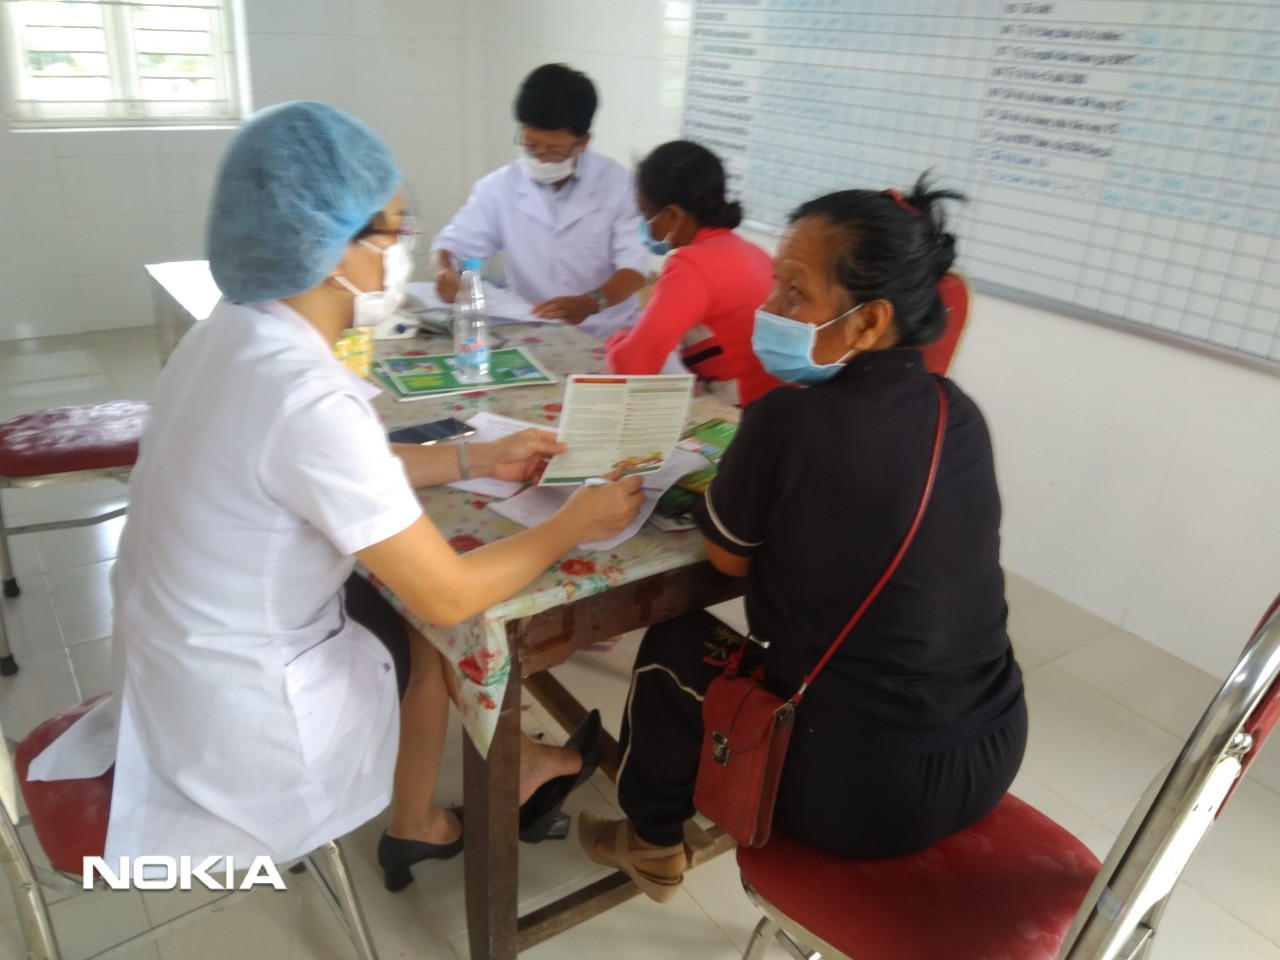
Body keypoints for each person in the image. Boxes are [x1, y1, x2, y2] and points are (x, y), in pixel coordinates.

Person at [28, 101, 644, 893]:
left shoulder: (228, 334)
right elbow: (450, 595)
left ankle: (479, 780)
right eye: (389, 231)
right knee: (435, 625)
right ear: (327, 248)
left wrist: (474, 455)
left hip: (179, 663)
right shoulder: (308, 394)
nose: (401, 250)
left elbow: (324, 468)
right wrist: (575, 521)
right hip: (243, 714)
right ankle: (433, 810)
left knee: (399, 602)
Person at [578, 176, 1027, 902]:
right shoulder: (958, 412)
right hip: (992, 749)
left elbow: (727, 558)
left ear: (869, 321)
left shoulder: (787, 419)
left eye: (794, 293)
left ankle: (651, 841)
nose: (770, 310)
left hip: (862, 789)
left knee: (673, 645)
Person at [429, 63, 650, 339]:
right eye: (531, 147)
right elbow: (451, 247)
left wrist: (593, 301)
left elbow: (634, 269)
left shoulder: (619, 185)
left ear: (583, 142)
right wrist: (443, 273)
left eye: (554, 150)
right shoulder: (499, 187)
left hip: (606, 332)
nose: (541, 159)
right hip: (529, 327)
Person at [604, 140, 781, 407]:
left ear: (673, 215)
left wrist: (616, 339)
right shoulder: (753, 251)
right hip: (778, 407)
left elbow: (633, 366)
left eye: (645, 213)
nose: (643, 224)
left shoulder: (690, 265)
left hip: (741, 414)